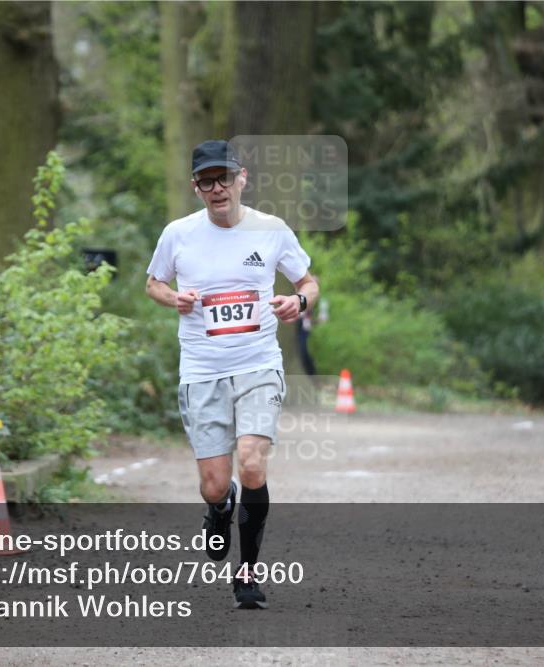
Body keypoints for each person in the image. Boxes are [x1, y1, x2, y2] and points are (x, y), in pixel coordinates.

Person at [145, 139, 319, 609]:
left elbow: (308, 282)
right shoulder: (178, 234)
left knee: (253, 463)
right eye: (207, 181)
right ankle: (219, 509)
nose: (217, 188)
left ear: (242, 177)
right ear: (196, 187)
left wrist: (297, 301)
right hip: (202, 369)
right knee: (216, 483)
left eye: (224, 177)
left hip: (258, 363)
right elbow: (153, 283)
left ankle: (247, 574)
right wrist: (173, 299)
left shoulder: (271, 230)